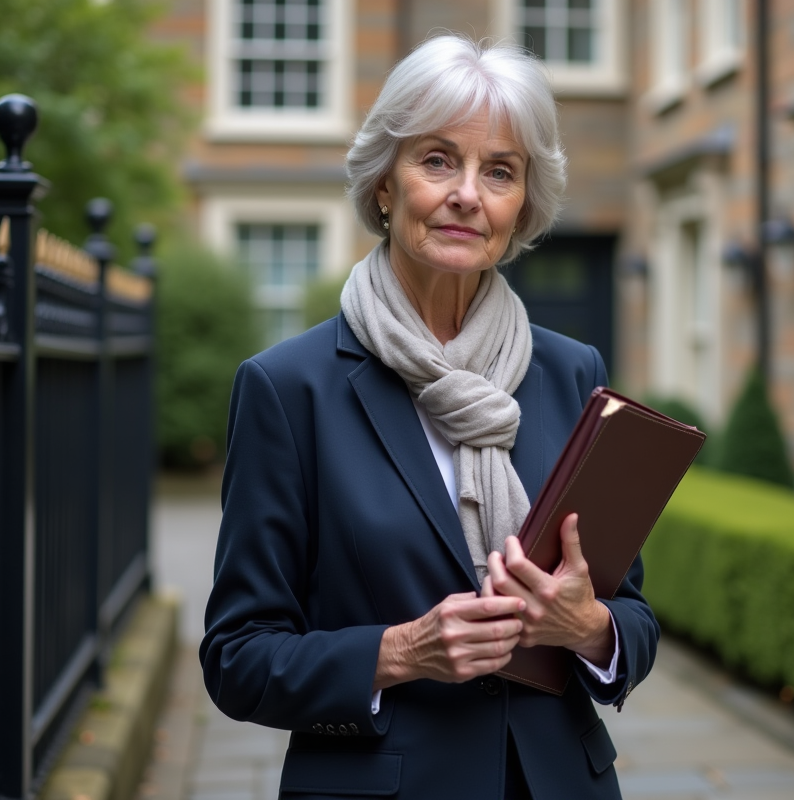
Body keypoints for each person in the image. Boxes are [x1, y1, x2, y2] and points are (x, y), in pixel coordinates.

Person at [200, 35, 659, 799]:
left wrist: (588, 628)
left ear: (521, 207)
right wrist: (401, 651)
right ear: (385, 183)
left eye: (500, 171)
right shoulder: (289, 388)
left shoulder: (572, 370)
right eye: (438, 160)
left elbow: (633, 616)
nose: (467, 194)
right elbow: (237, 658)